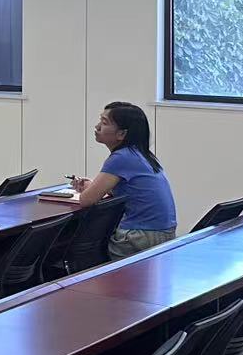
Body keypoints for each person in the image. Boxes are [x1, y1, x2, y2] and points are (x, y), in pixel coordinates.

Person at [72, 102, 178, 257]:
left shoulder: (121, 158)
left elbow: (86, 200)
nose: (97, 127)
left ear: (122, 134)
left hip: (139, 237)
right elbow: (127, 189)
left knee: (80, 253)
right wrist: (92, 185)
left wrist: (90, 189)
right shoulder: (140, 154)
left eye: (104, 123)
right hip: (161, 233)